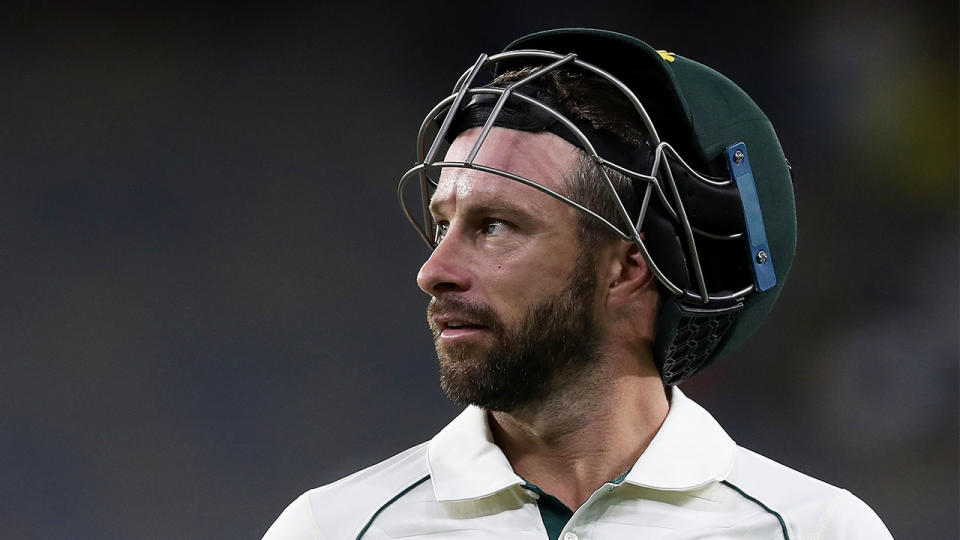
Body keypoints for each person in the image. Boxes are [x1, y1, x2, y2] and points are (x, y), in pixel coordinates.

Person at [263, 28, 893, 539]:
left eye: (496, 226)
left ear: (628, 267)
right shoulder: (332, 529)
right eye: (442, 224)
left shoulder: (818, 530)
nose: (434, 270)